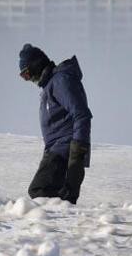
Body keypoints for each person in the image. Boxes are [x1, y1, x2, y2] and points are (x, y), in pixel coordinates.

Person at [18, 43, 92, 204]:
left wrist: (77, 153)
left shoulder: (60, 81)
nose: (28, 79)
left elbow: (81, 114)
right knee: (60, 198)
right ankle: (60, 218)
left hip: (66, 149)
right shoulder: (50, 86)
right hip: (56, 150)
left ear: (36, 65)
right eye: (24, 77)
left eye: (26, 74)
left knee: (40, 191)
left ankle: (53, 218)